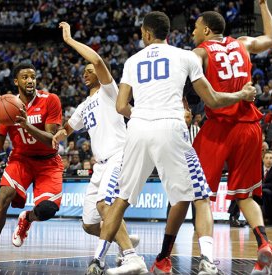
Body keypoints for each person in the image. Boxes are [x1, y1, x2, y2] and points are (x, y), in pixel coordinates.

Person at [92, 11, 255, 275]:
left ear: (146, 33)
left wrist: (143, 115)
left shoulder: (132, 61)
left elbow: (121, 106)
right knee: (201, 196)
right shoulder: (186, 56)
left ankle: (97, 260)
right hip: (170, 128)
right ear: (167, 32)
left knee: (121, 199)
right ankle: (206, 261)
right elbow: (212, 100)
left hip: (138, 130)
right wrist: (242, 94)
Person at [192, 1, 272, 273]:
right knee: (245, 195)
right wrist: (263, 5)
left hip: (219, 127)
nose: (192, 32)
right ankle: (263, 242)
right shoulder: (243, 43)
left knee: (201, 194)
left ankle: (206, 257)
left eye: (195, 28)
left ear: (205, 30)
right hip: (249, 125)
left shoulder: (200, 52)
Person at [52, 22, 139, 273]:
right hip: (99, 166)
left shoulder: (110, 92)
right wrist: (58, 135)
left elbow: (99, 62)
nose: (85, 73)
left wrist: (69, 41)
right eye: (84, 71)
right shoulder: (83, 105)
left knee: (106, 205)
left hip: (118, 155)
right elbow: (68, 128)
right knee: (89, 223)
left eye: (89, 70)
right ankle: (124, 240)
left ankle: (131, 256)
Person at [0, 63, 63, 274]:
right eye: (25, 77)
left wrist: (26, 125)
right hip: (21, 159)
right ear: (16, 81)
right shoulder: (8, 104)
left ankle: (27, 218)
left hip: (48, 162)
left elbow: (51, 140)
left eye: (33, 77)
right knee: (4, 196)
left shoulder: (50, 100)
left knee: (47, 210)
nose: (30, 81)